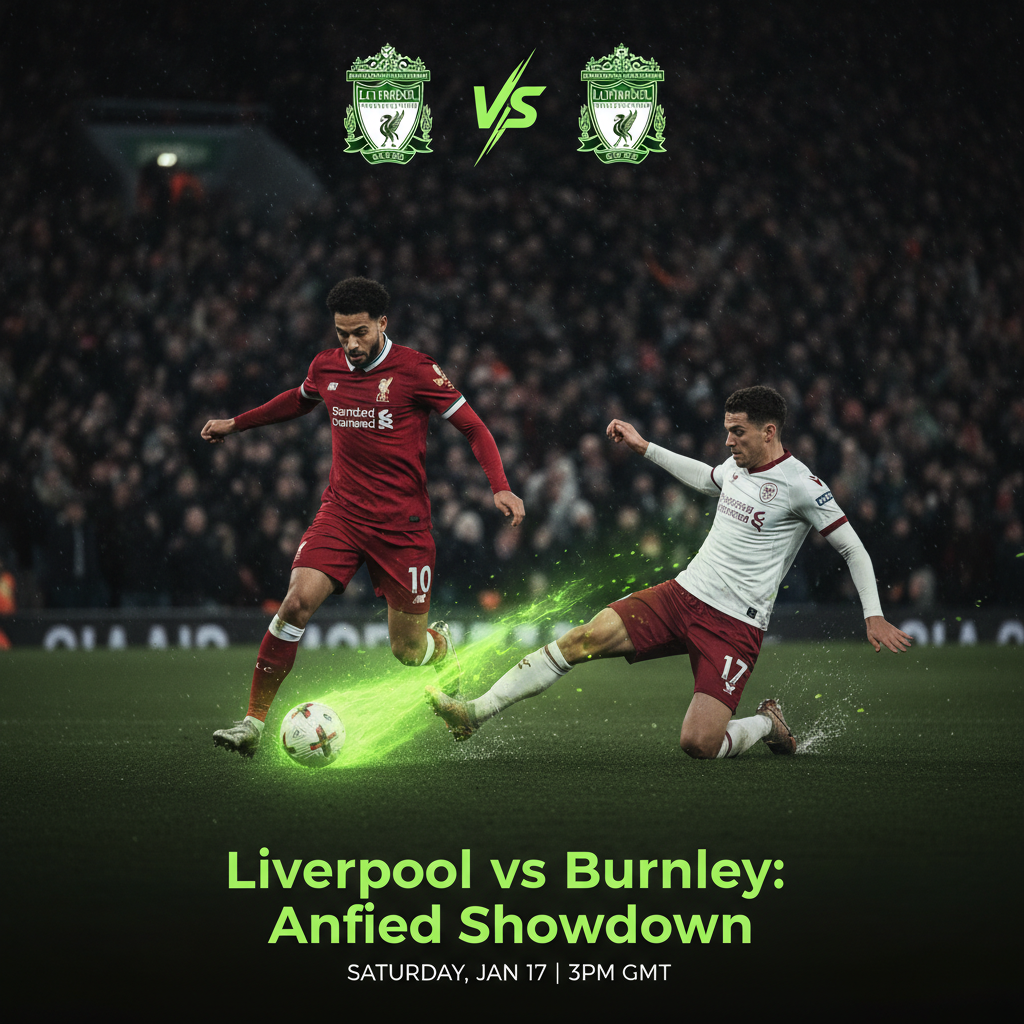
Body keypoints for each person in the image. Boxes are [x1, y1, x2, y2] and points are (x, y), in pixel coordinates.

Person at [427, 385, 911, 759]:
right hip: (682, 595)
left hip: (735, 624)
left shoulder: (802, 485)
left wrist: (872, 614)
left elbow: (854, 548)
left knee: (699, 745)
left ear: (769, 431)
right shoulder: (737, 466)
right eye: (726, 430)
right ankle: (475, 712)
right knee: (582, 638)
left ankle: (768, 723)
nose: (729, 440)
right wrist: (644, 448)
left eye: (738, 431)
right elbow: (707, 478)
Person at [203, 277, 525, 757]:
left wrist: (500, 485)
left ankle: (440, 647)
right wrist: (238, 423)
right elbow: (297, 400)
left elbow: (473, 426)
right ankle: (252, 723)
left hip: (403, 529)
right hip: (342, 514)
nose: (351, 344)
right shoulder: (326, 367)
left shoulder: (416, 370)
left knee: (408, 651)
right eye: (341, 334)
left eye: (360, 333)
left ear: (382, 324)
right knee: (293, 605)